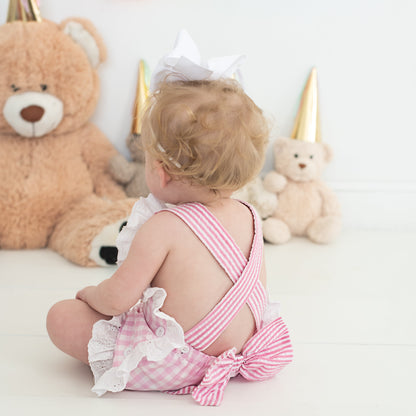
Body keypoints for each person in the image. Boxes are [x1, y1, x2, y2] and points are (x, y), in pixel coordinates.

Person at [47, 33, 293, 406]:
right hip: (244, 347)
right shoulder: (248, 214)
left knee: (61, 317)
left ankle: (156, 368)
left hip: (179, 360)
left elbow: (117, 299)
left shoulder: (163, 227)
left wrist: (91, 295)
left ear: (160, 172)